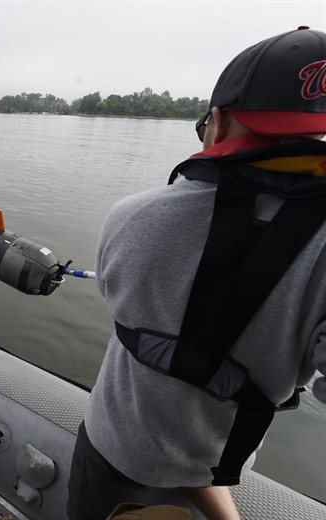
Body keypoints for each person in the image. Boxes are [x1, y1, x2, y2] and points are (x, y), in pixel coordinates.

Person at [67, 26, 326, 520]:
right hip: (221, 460)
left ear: (217, 122)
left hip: (119, 449)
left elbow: (115, 294)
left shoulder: (131, 216)